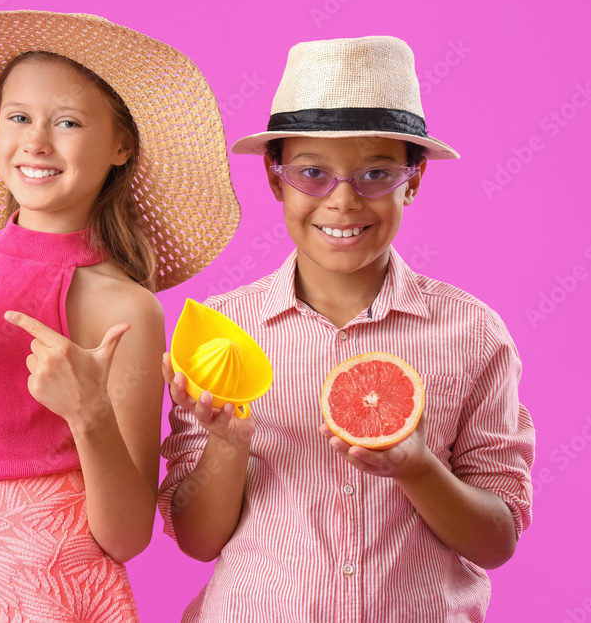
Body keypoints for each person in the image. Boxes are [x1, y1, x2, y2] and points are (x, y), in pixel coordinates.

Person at [0, 11, 240, 622]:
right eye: (19, 117)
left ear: (120, 146)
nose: (35, 142)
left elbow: (127, 536)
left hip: (55, 591)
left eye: (68, 123)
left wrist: (89, 414)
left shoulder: (123, 307)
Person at [158, 36, 535, 622]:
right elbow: (197, 540)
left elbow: (496, 540)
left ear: (413, 182)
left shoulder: (471, 332)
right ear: (274, 179)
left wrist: (416, 466)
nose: (342, 200)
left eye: (376, 174)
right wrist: (229, 443)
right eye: (312, 173)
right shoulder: (221, 333)